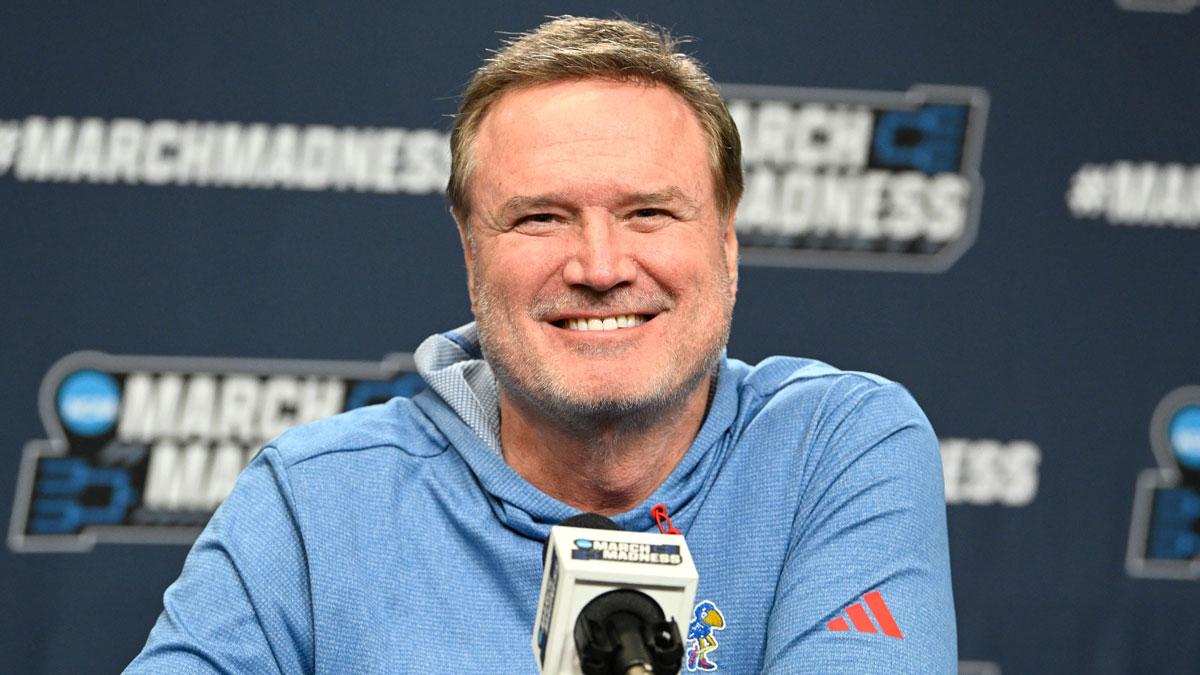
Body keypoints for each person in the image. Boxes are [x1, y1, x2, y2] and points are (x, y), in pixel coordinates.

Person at [127, 16, 955, 674]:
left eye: (648, 213)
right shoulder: (315, 501)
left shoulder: (834, 447)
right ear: (469, 249)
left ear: (728, 242)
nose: (599, 267)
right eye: (540, 217)